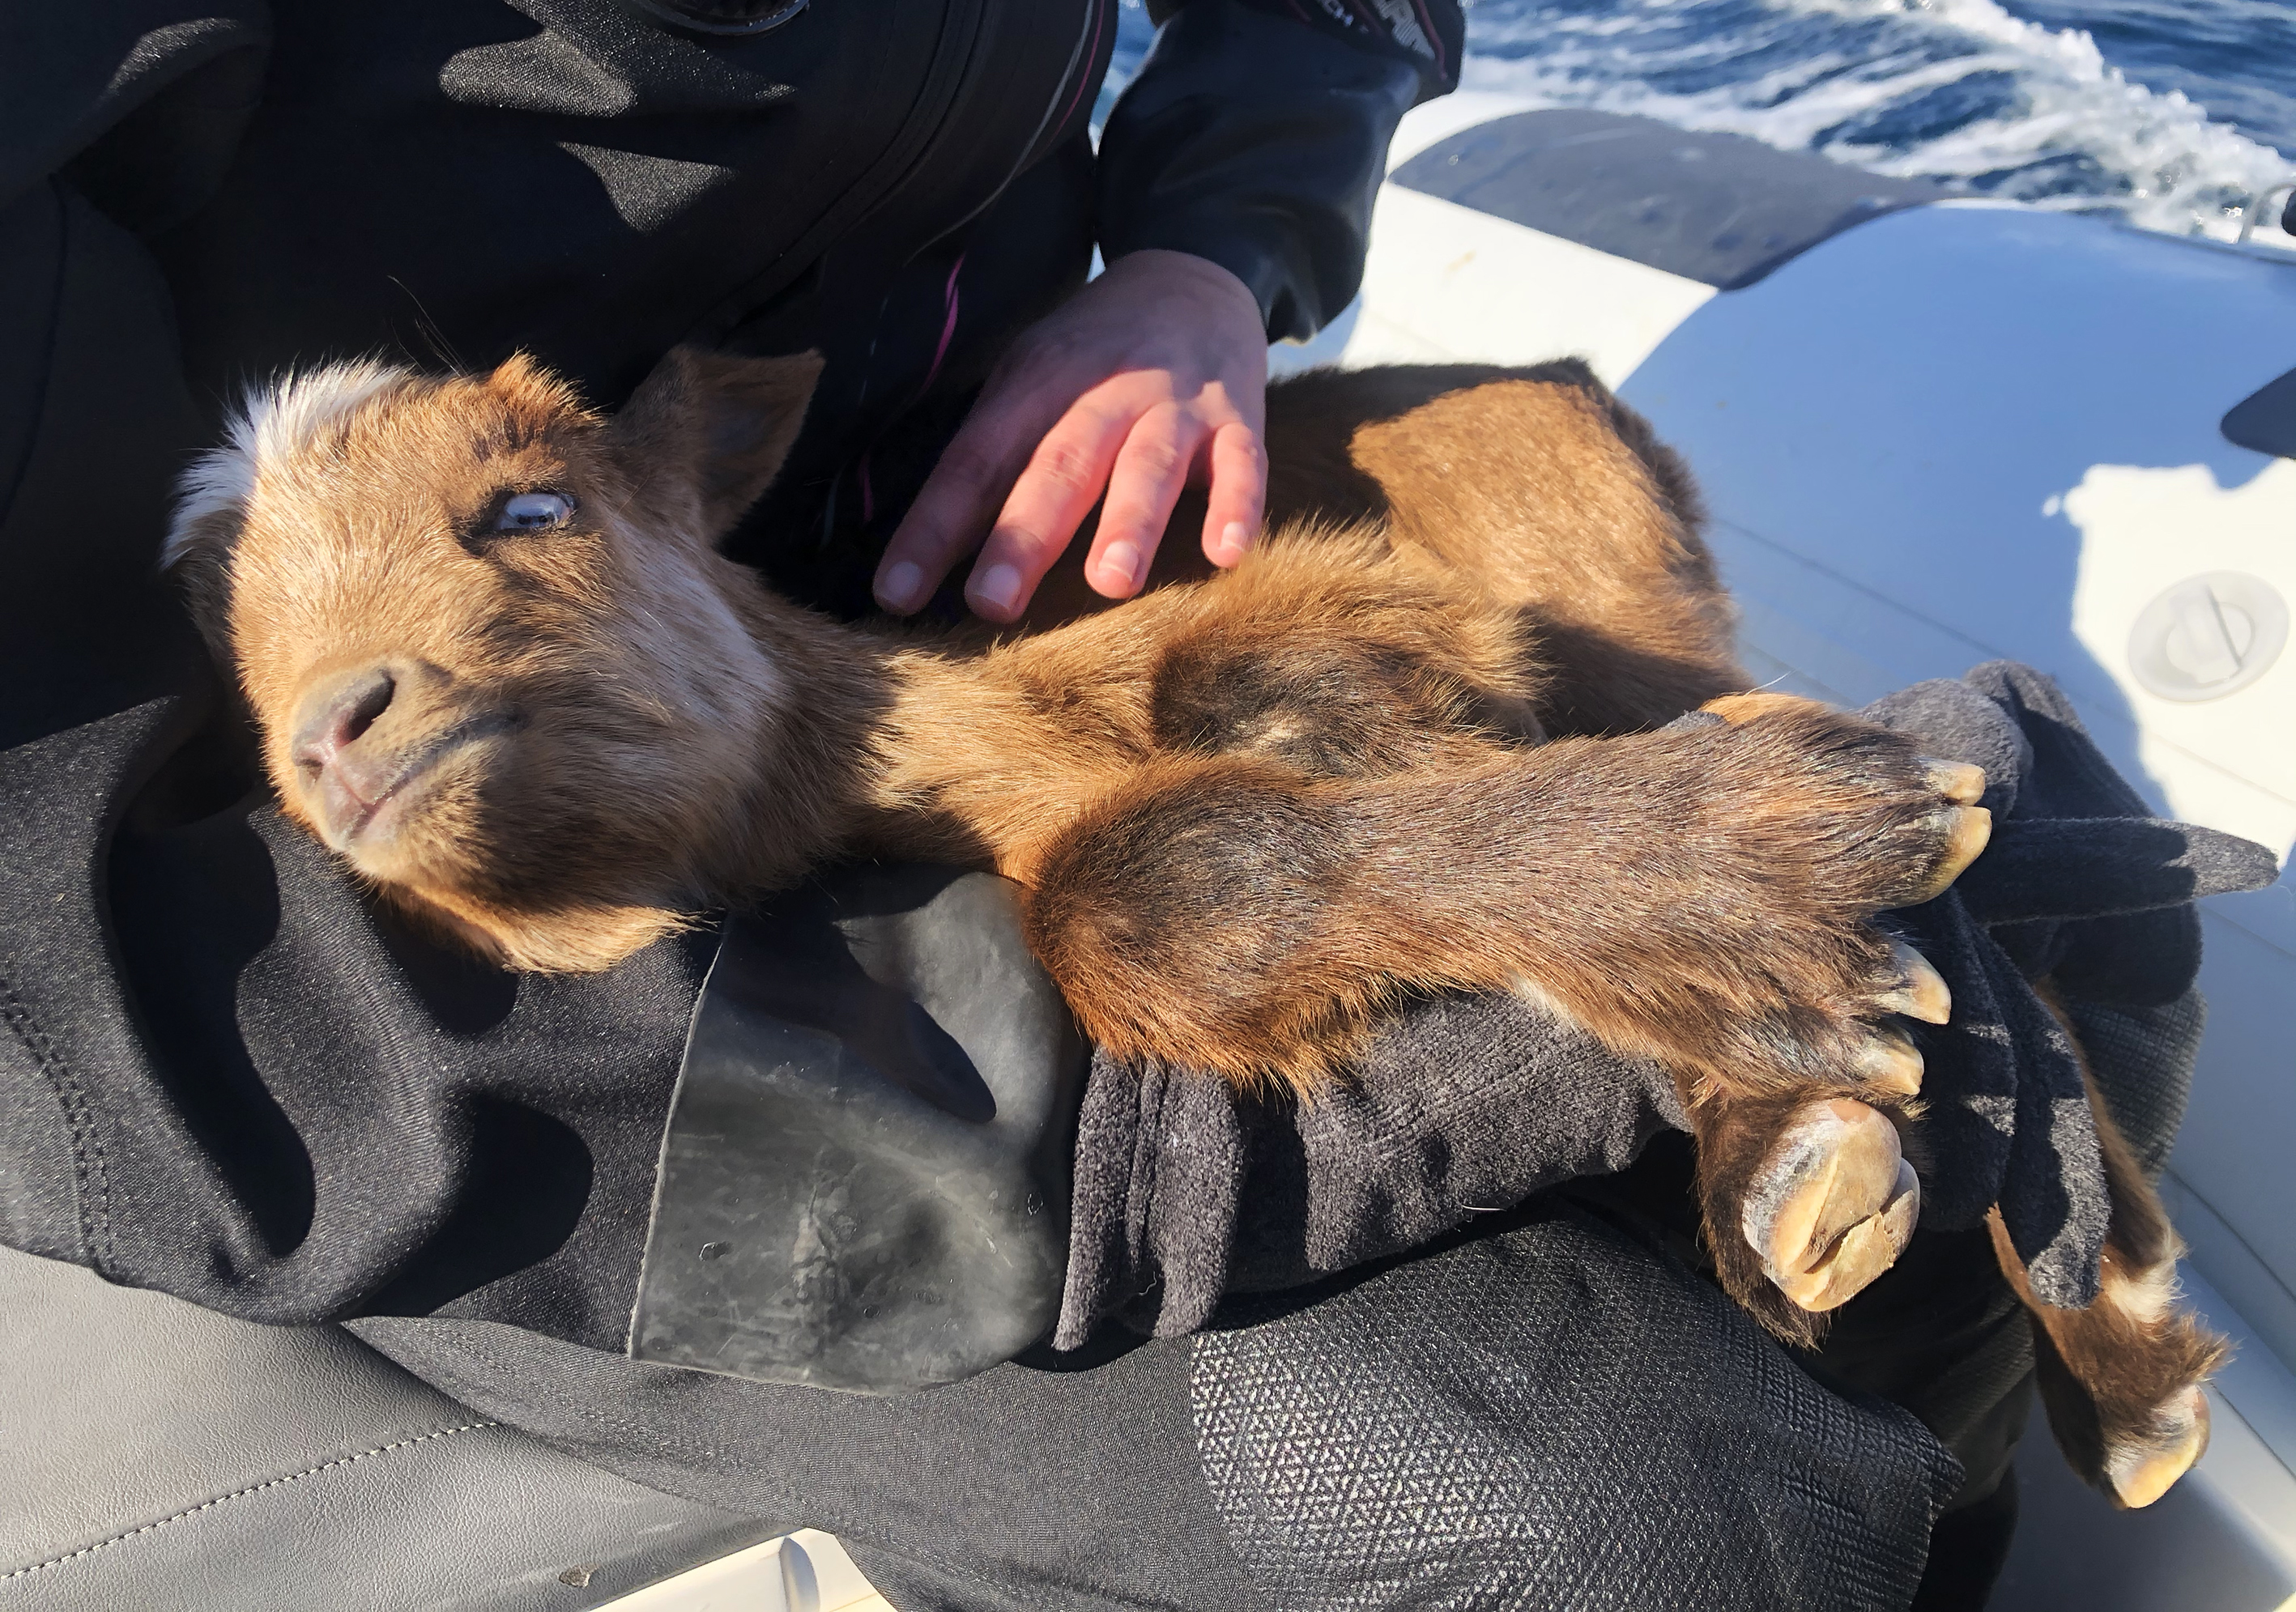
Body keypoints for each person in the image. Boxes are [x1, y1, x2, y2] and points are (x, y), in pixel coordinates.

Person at [11, 2, 2211, 1606]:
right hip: (463, 1036)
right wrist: (1269, 1076)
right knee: (1618, 1499)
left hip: (916, 591)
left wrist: (1206, 257)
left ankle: (1980, 1512)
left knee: (2064, 885)